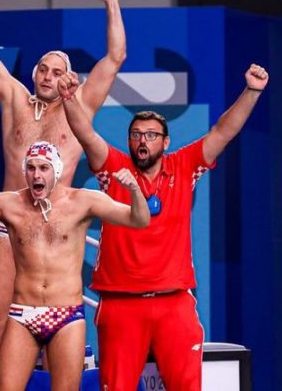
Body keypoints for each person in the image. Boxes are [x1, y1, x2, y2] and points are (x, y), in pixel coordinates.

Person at [60, 64, 269, 390]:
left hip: (174, 303)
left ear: (165, 142)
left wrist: (252, 91)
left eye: (151, 135)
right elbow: (86, 134)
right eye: (136, 135)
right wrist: (70, 99)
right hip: (121, 304)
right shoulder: (113, 169)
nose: (142, 141)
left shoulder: (185, 166)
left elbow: (222, 132)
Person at [0, 0, 127, 389]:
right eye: (42, 68)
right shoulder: (15, 99)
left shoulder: (80, 105)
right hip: (13, 224)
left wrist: (111, 1)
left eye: (56, 72)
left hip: (57, 227)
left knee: (53, 326)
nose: (47, 76)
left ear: (66, 78)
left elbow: (115, 56)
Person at [0, 141, 149, 390]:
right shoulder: (9, 204)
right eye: (31, 168)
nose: (37, 175)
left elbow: (139, 219)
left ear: (56, 171)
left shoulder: (82, 201)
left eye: (44, 168)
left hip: (67, 315)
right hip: (23, 314)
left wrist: (134, 190)